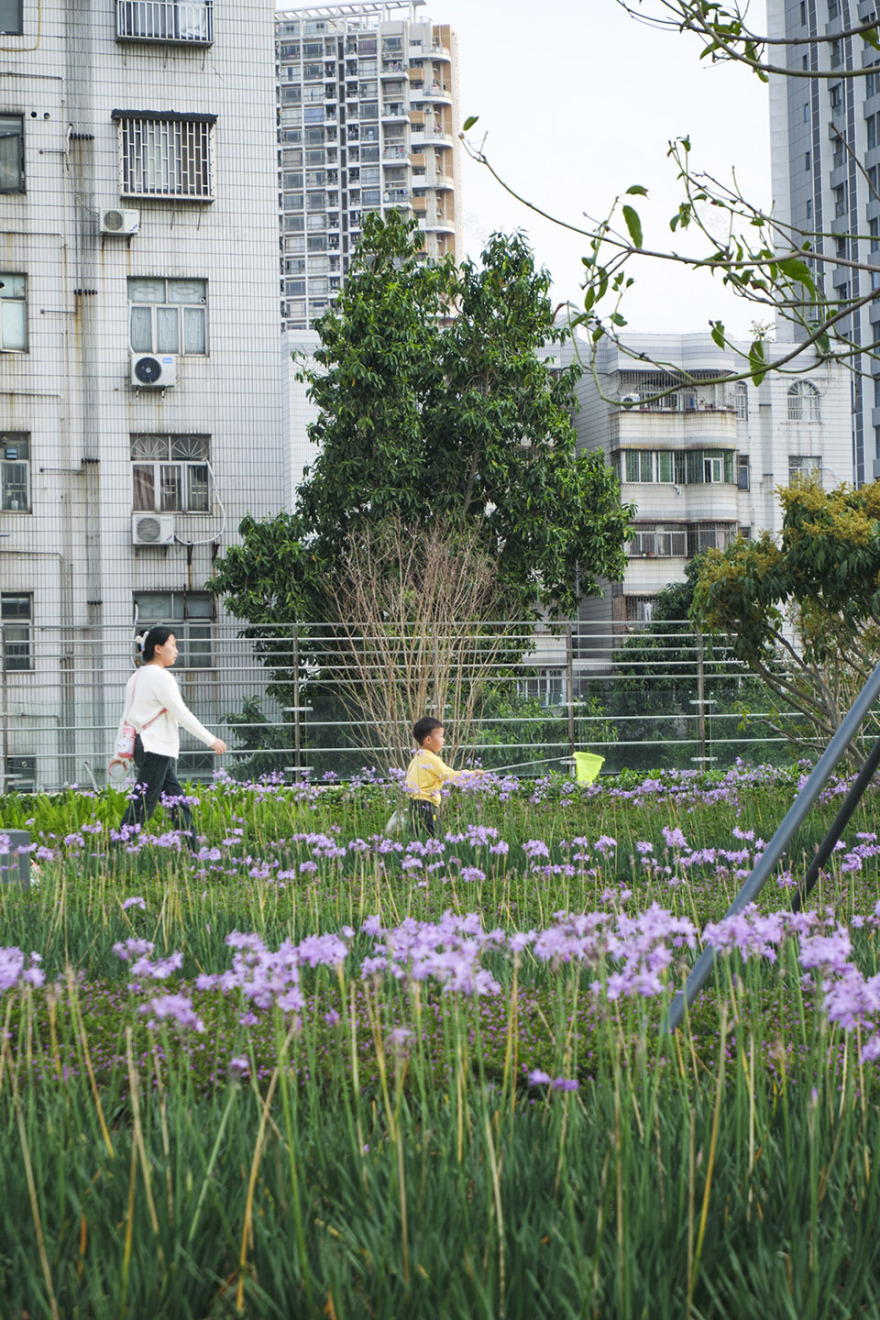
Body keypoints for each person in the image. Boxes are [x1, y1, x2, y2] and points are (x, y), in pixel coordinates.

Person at [113, 626, 226, 851]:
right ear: (157, 648)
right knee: (143, 805)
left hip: (143, 746)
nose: (177, 650)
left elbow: (126, 719)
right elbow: (181, 713)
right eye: (172, 645)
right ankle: (114, 853)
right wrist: (210, 740)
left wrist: (119, 753)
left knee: (177, 801)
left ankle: (194, 849)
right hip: (156, 748)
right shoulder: (161, 677)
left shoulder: (136, 677)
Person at [405, 716, 481, 839]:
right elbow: (449, 776)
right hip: (426, 806)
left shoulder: (416, 759)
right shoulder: (431, 759)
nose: (444, 740)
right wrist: (472, 775)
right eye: (440, 736)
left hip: (413, 805)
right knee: (436, 840)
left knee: (419, 839)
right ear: (428, 739)